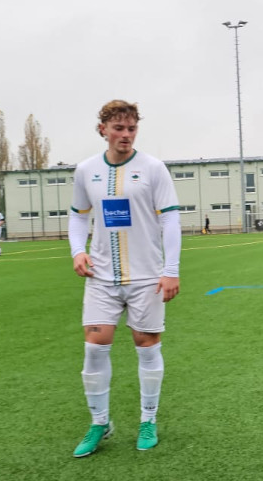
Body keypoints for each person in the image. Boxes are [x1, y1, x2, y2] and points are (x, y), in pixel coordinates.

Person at [69, 99, 181, 458]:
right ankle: (99, 422)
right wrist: (77, 250)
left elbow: (171, 220)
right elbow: (77, 216)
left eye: (132, 128)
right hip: (102, 276)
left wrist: (171, 270)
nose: (126, 135)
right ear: (103, 129)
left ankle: (148, 419)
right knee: (94, 347)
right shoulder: (86, 171)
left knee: (147, 346)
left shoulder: (153, 168)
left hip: (147, 276)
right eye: (118, 128)